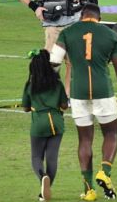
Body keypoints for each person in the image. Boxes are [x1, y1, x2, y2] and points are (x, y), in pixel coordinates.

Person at [49, 3, 117, 200]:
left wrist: (57, 93)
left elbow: (53, 63)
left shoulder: (68, 33)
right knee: (111, 134)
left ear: (81, 16)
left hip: (78, 93)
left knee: (84, 140)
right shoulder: (111, 35)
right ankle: (105, 171)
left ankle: (88, 190)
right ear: (99, 18)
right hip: (103, 91)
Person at [16, 0, 94, 96]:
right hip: (52, 26)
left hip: (74, 23)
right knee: (52, 62)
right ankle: (49, 94)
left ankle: (67, 96)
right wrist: (35, 7)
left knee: (73, 63)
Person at [22, 49, 68, 202]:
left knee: (36, 157)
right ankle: (44, 191)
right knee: (52, 159)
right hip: (56, 122)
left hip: (39, 124)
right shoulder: (57, 83)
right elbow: (64, 105)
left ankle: (43, 178)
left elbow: (26, 108)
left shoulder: (30, 85)